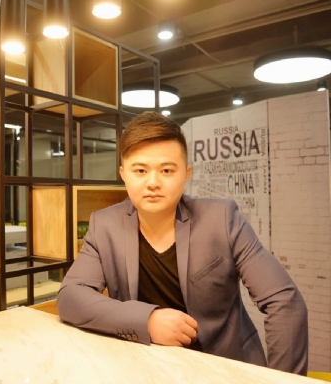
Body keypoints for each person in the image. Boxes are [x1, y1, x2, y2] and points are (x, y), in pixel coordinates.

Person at [57, 112, 308, 375]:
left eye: (166, 170)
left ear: (186, 174)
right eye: (140, 170)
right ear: (123, 174)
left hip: (225, 370)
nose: (153, 183)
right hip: (145, 369)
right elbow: (71, 297)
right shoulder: (104, 225)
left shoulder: (222, 219)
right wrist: (147, 321)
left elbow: (285, 302)